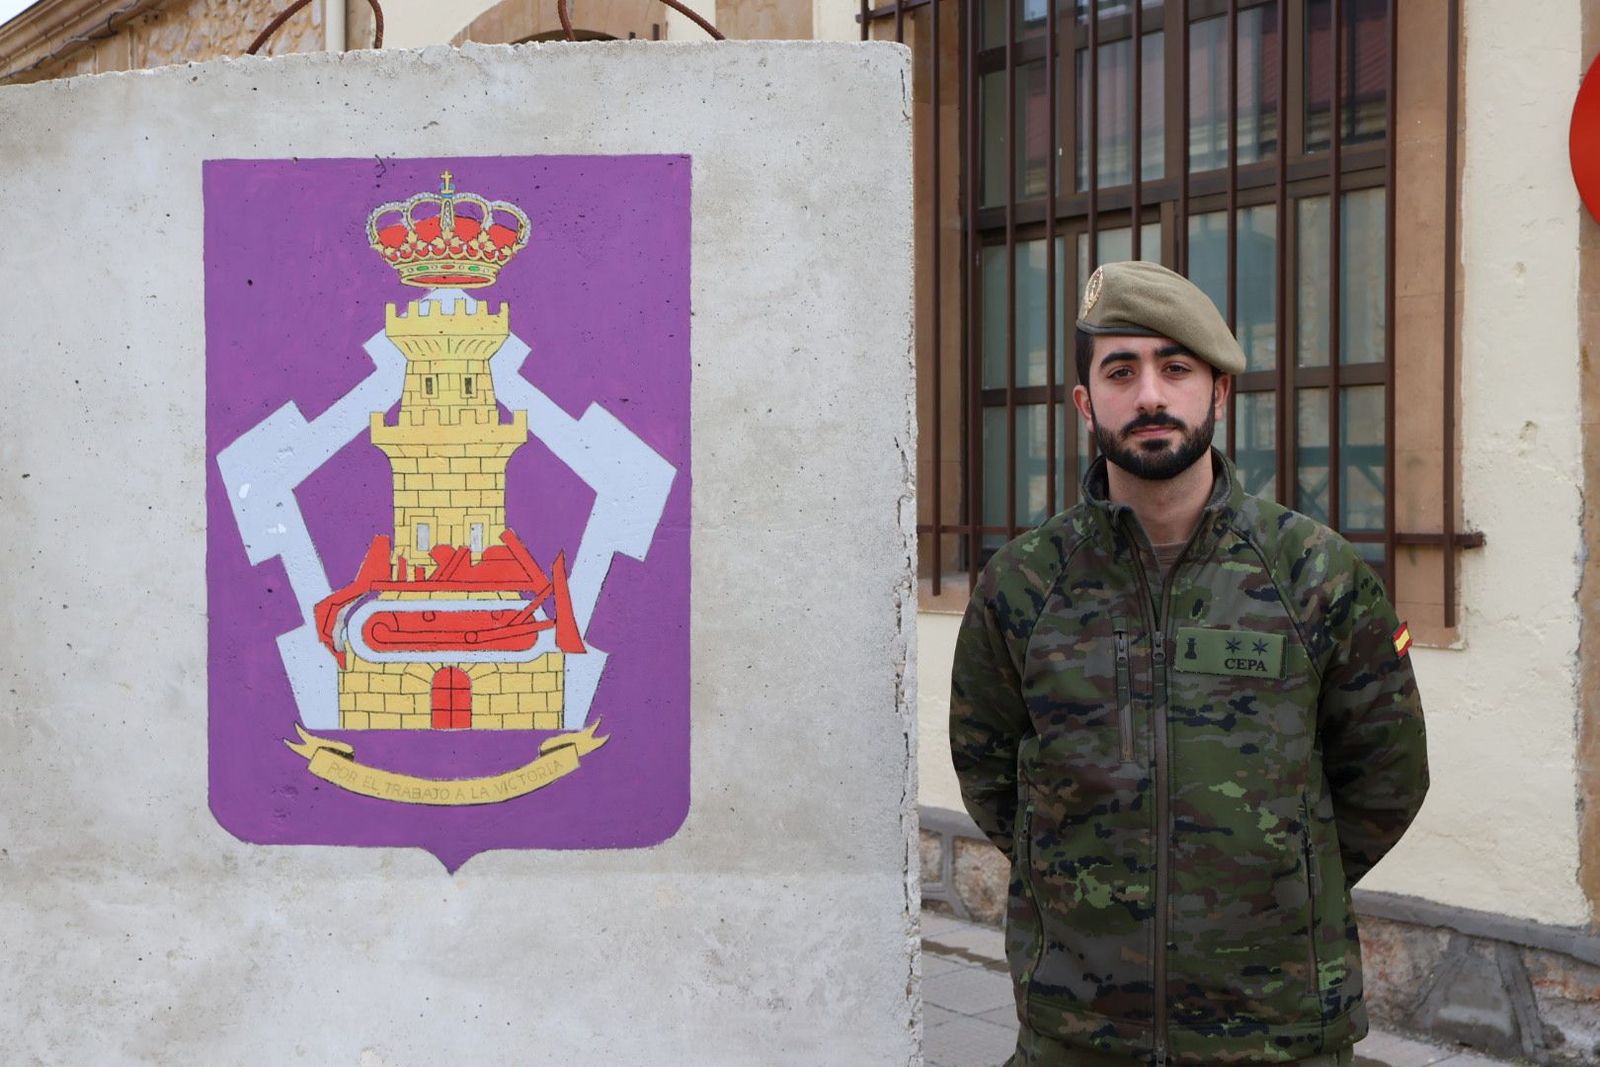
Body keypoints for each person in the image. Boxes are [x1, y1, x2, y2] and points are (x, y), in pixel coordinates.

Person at [949, 260, 1429, 1066]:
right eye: (1121, 370)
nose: (1149, 396)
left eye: (1175, 367)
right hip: (1080, 1031)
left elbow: (1386, 778)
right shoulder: (1024, 585)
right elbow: (992, 773)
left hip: (1277, 1030)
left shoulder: (1316, 573)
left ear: (1219, 393)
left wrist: (1275, 875)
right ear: (1082, 402)